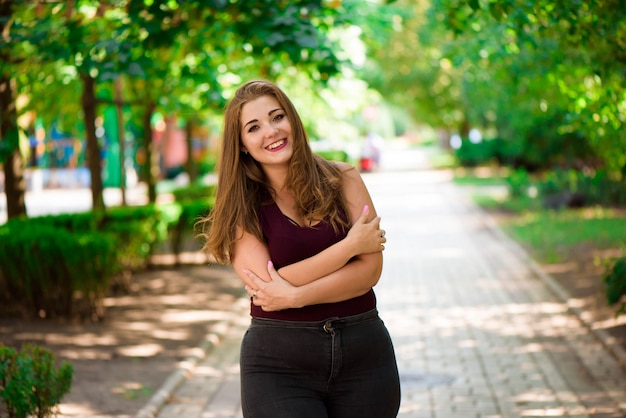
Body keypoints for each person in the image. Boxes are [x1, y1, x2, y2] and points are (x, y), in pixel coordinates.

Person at [200, 79, 400, 418]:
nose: (271, 131)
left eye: (278, 117)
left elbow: (368, 272)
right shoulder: (241, 206)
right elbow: (265, 284)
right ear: (243, 145)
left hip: (364, 356)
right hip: (279, 367)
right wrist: (348, 246)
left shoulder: (344, 178)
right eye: (254, 127)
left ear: (293, 119)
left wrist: (294, 296)